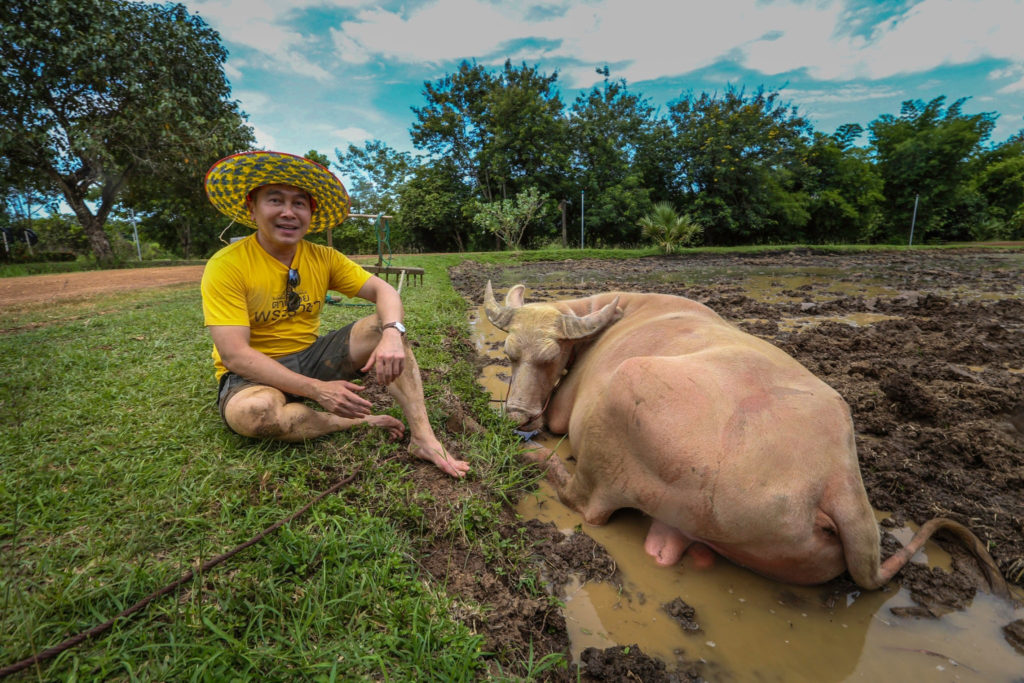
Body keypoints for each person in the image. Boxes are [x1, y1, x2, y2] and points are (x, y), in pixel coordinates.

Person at [200, 150, 469, 478]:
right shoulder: (227, 265)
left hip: (310, 356)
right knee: (255, 414)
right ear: (252, 209)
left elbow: (384, 291)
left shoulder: (324, 257)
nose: (288, 212)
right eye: (275, 200)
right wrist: (316, 390)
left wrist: (392, 333)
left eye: (299, 203)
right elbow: (235, 355)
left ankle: (424, 438)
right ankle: (353, 421)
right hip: (253, 375)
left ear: (310, 214)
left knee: (381, 327)